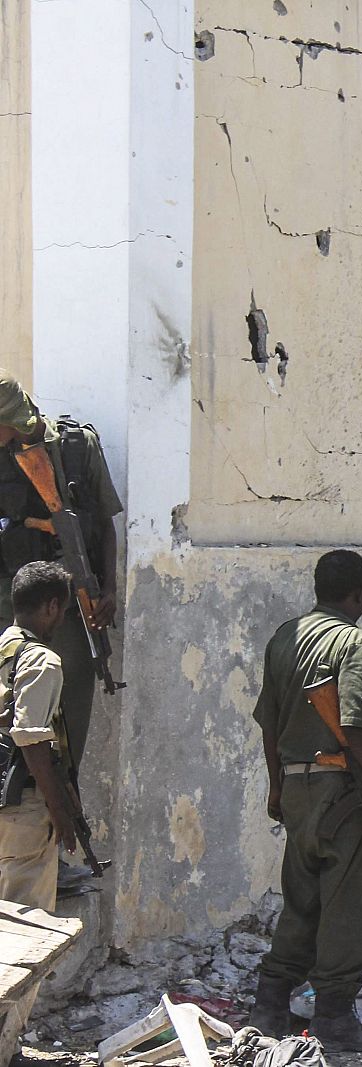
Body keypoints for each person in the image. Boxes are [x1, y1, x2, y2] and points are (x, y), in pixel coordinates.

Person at [249, 550, 362, 1052]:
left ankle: (269, 1006)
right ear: (360, 592)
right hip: (340, 788)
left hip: (296, 787)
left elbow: (269, 723)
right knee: (351, 902)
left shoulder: (284, 638)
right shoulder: (356, 644)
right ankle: (334, 1016)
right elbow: (354, 725)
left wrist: (275, 785)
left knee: (302, 900)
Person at [0, 374, 122, 775]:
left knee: (66, 727)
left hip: (67, 610)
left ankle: (60, 803)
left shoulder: (76, 446)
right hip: (8, 608)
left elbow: (104, 524)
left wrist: (108, 590)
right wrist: (34, 523)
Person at [0, 562, 85, 1035]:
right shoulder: (41, 660)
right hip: (23, 807)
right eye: (64, 610)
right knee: (23, 934)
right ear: (51, 606)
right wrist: (60, 812)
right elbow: (32, 740)